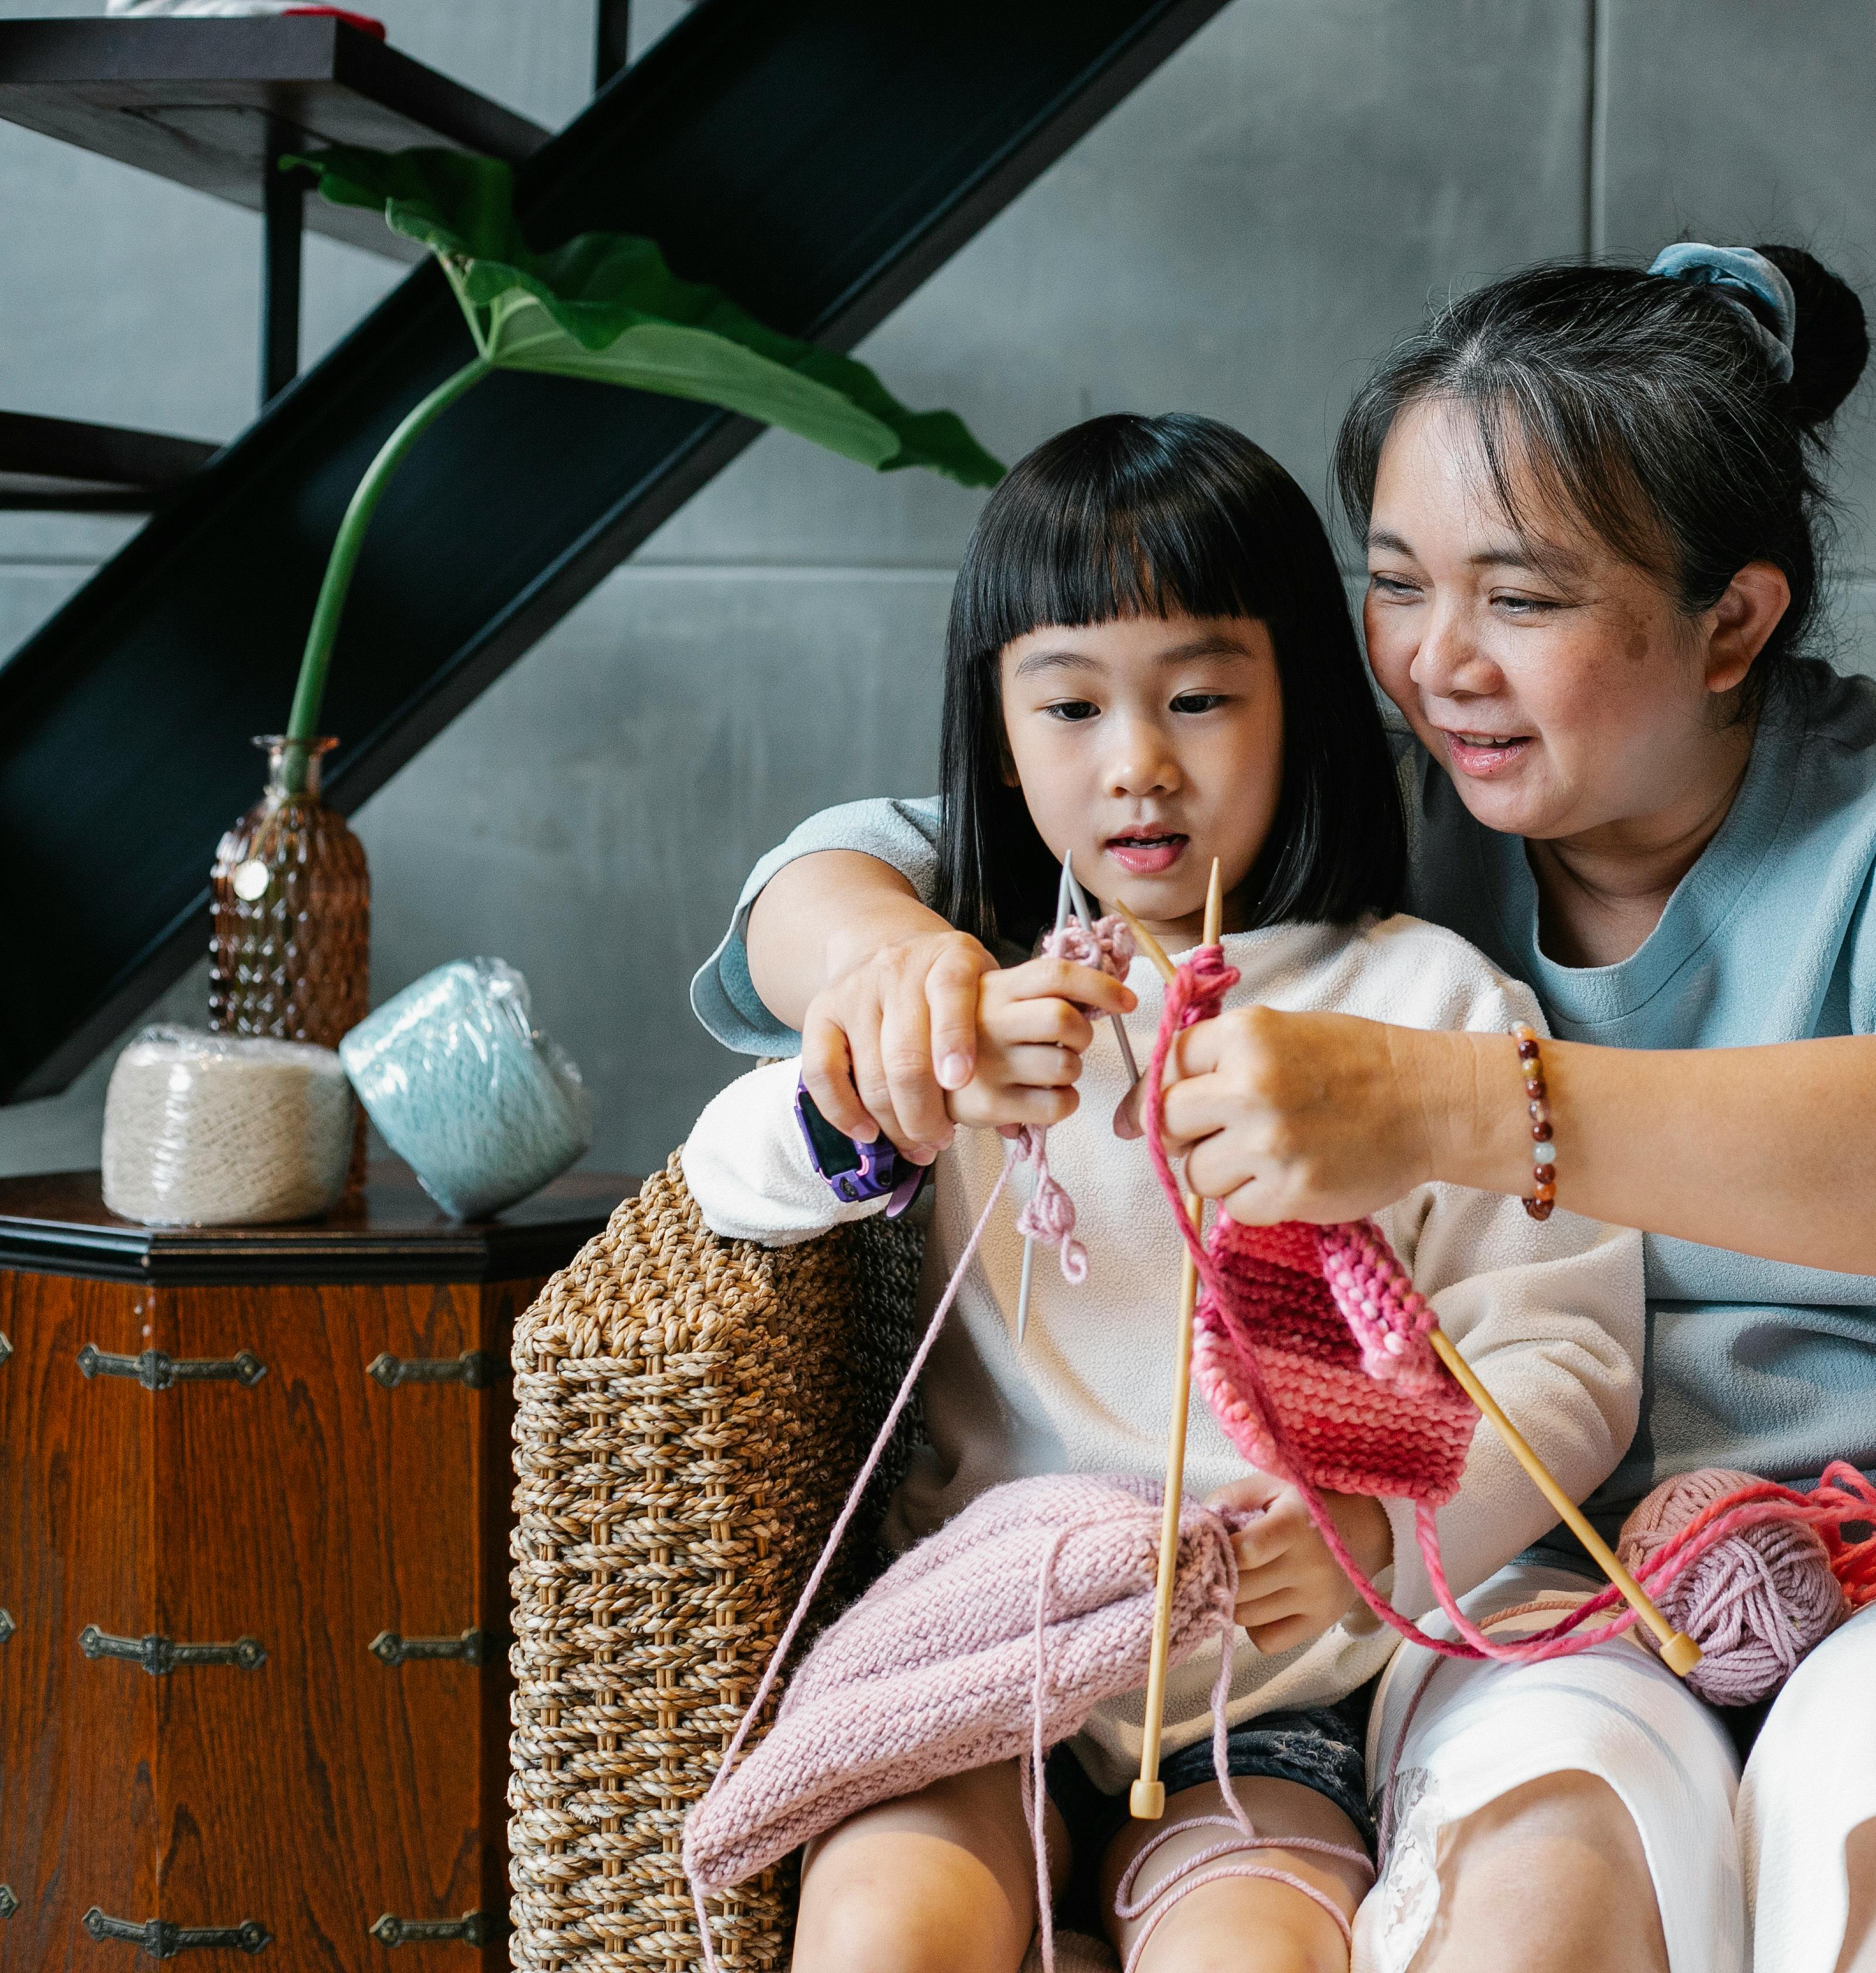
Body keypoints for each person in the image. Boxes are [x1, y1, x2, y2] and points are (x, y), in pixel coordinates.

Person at [699, 246, 1876, 1973]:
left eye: (1525, 599)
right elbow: (935, 836)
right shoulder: (1380, 788)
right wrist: (891, 963)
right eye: (1397, 586)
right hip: (1512, 1605)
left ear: (1735, 621)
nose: (1438, 665)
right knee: (1532, 1907)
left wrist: (1460, 1105)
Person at [681, 411, 1643, 1973]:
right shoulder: (979, 988)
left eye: (1199, 698)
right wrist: (895, 1078)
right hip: (984, 1650)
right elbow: (732, 1188)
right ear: (997, 735)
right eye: (1067, 705)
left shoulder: (1422, 1010)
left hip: (1263, 1691)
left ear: (1301, 708)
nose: (1136, 764)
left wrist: (1373, 1521)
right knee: (879, 1936)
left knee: (1249, 1955)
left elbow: (1564, 1356)